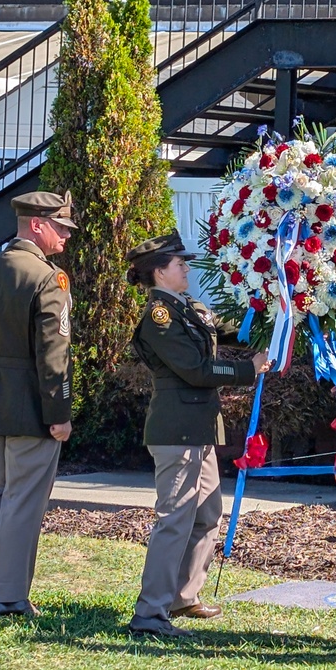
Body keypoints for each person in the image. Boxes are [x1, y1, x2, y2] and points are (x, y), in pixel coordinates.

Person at [125, 231, 272, 638]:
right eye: (178, 264)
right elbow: (195, 370)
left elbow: (233, 331)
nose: (186, 268)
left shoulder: (189, 308)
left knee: (207, 514)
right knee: (174, 518)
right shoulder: (160, 317)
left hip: (199, 429)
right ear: (159, 272)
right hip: (177, 430)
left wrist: (270, 308)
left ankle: (183, 596)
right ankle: (150, 613)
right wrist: (248, 369)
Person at [0, 189, 76, 618]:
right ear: (37, 225)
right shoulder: (48, 279)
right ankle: (8, 597)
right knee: (23, 503)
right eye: (60, 227)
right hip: (29, 408)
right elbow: (53, 355)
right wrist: (59, 414)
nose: (65, 236)